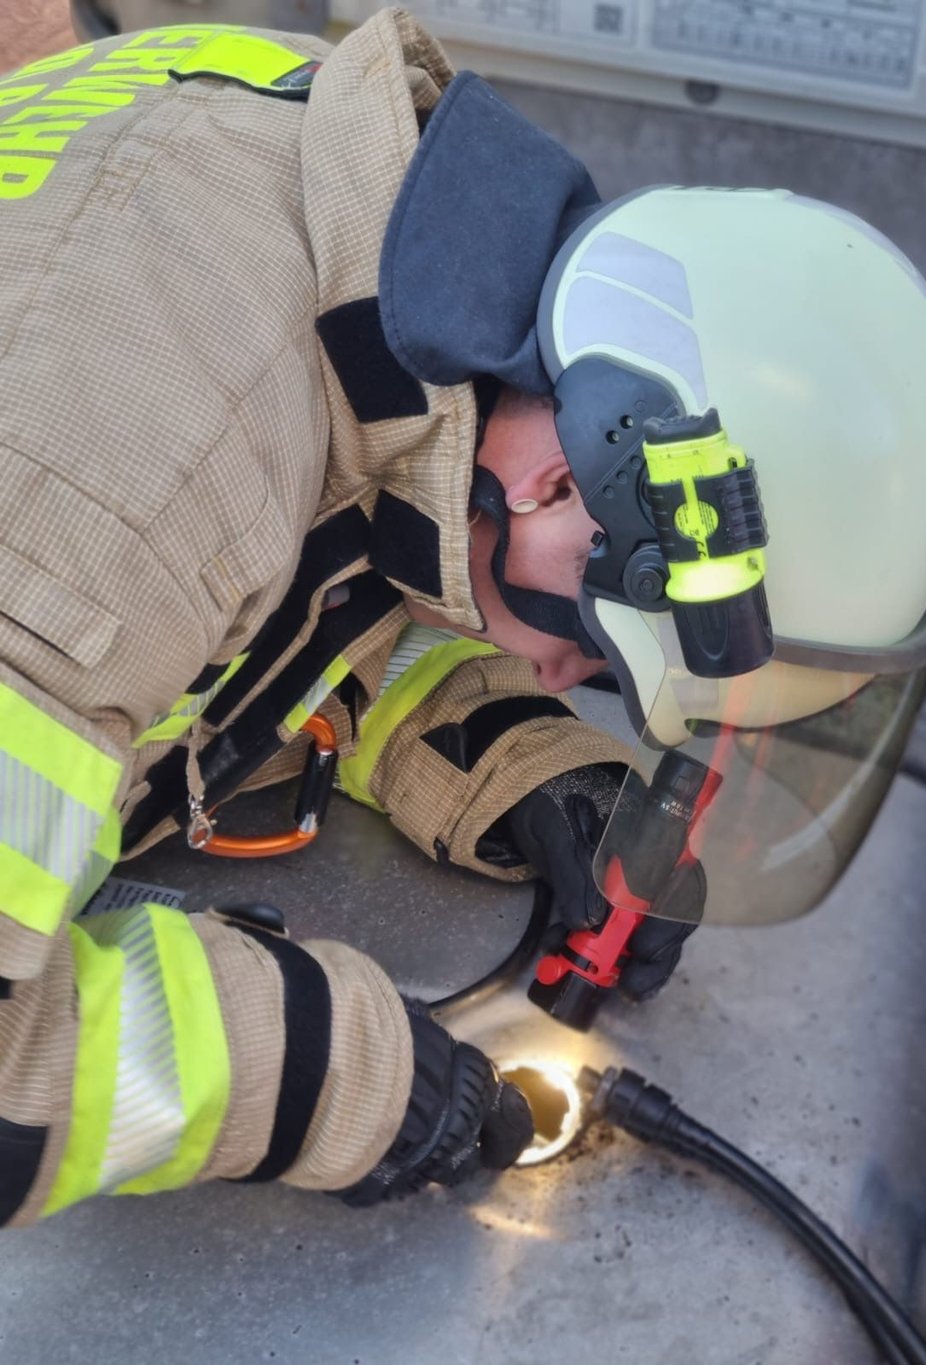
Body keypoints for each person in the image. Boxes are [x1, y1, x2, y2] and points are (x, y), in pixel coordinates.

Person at [0, 11, 701, 1225]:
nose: (566, 673)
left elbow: (287, 586)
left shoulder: (396, 268)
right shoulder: (119, 464)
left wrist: (509, 758)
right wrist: (337, 1075)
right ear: (556, 484)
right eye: (597, 653)